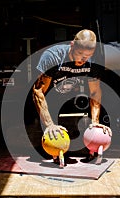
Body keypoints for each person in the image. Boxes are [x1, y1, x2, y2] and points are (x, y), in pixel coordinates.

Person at [31, 29, 112, 165]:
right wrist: (50, 125)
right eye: (79, 53)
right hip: (49, 95)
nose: (82, 59)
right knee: (50, 138)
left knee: (96, 125)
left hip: (73, 94)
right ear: (72, 45)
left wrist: (95, 122)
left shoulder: (95, 60)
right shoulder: (53, 57)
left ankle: (91, 149)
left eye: (88, 55)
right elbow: (38, 91)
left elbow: (94, 92)